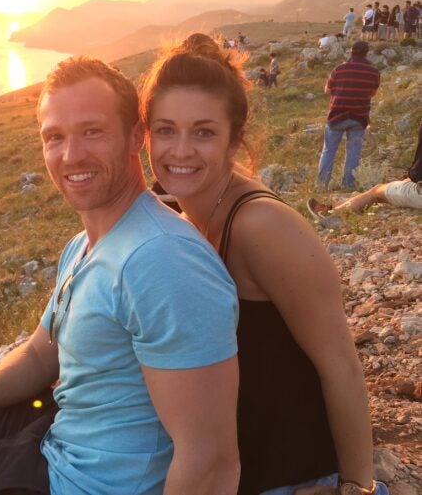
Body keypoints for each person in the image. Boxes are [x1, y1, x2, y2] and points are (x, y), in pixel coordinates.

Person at [0, 57, 240, 495]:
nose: (71, 155)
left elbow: (210, 460)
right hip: (57, 446)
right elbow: (38, 357)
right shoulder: (86, 245)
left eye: (92, 131)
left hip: (83, 483)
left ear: (135, 137)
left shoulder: (160, 262)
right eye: (55, 137)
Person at [140, 33, 385, 495]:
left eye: (204, 132)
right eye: (165, 129)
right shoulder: (173, 211)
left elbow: (342, 366)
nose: (180, 150)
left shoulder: (262, 226)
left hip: (299, 478)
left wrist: (356, 485)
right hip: (225, 473)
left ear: (235, 139)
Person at [309, 120, 422, 217]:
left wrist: (410, 177)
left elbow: (417, 174)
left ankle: (332, 214)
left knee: (376, 191)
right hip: (358, 118)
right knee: (353, 151)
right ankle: (348, 192)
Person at [316, 40, 381, 190]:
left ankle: (321, 186)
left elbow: (327, 90)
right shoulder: (374, 72)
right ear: (366, 53)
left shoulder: (339, 69)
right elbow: (373, 93)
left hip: (337, 115)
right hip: (359, 116)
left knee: (329, 150)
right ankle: (348, 186)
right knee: (353, 152)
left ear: (351, 52)